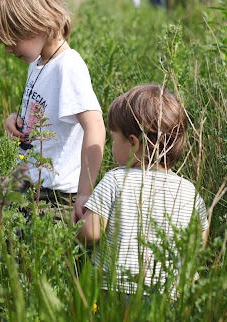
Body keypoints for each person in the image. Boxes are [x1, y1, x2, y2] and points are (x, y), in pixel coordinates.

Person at [0, 0, 106, 224]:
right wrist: (16, 120)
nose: (7, 49)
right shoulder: (38, 64)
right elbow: (44, 115)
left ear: (36, 24)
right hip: (29, 184)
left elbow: (95, 126)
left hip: (56, 198)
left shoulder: (68, 66)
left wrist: (85, 192)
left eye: (11, 39)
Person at [77, 84, 208, 297]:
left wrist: (74, 232)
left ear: (133, 143)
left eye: (113, 138)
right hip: (167, 294)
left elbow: (91, 232)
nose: (111, 147)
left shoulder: (116, 180)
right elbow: (197, 245)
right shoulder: (188, 191)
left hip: (115, 290)